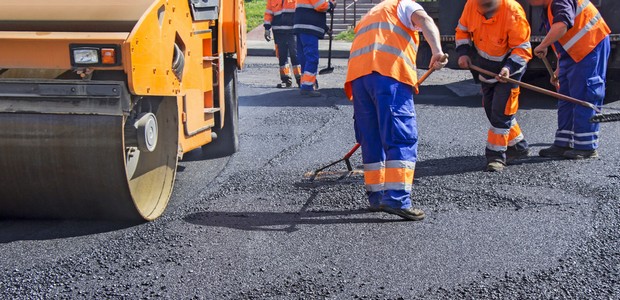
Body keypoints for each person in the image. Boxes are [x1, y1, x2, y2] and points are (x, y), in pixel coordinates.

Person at [344, 0, 448, 221]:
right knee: (400, 136)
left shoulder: (372, 13)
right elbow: (425, 20)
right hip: (388, 75)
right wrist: (437, 50)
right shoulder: (404, 5)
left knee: (371, 138)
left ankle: (377, 197)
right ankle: (397, 199)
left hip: (360, 79)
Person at [527, 0, 610, 159]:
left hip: (591, 44)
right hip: (572, 52)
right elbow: (564, 39)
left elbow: (562, 25)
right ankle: (563, 142)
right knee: (565, 95)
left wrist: (543, 45)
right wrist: (559, 68)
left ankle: (586, 147)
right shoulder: (549, 6)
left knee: (586, 93)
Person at [456, 0, 533, 172]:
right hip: (485, 69)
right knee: (491, 109)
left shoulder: (513, 12)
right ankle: (519, 146)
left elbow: (522, 49)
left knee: (501, 112)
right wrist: (463, 53)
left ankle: (496, 156)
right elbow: (462, 31)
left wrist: (508, 68)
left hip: (509, 71)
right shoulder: (471, 5)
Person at [294, 0, 336, 97]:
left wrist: (325, 29)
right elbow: (320, 6)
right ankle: (307, 87)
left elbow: (310, 11)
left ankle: (305, 84)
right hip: (308, 28)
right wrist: (331, 5)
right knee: (312, 58)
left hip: (301, 27)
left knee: (304, 58)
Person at [264, 0, 302, 88]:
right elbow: (268, 13)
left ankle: (300, 79)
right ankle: (286, 80)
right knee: (282, 55)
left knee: (295, 54)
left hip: (293, 31)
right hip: (278, 31)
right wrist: (267, 28)